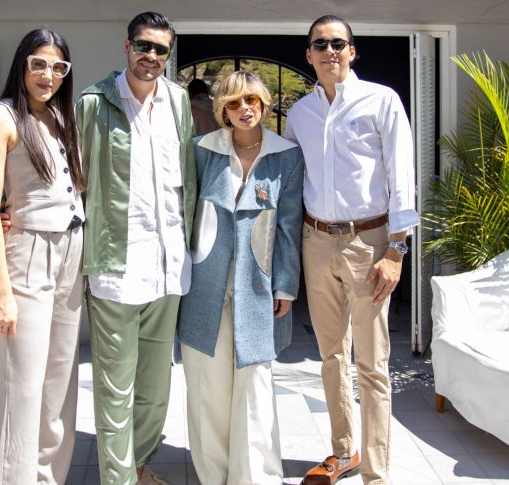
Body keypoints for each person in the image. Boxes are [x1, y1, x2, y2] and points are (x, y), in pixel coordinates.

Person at [284, 15, 419, 485]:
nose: (329, 50)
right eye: (319, 43)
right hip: (316, 240)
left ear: (352, 51)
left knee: (372, 363)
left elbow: (403, 175)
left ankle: (377, 474)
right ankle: (344, 453)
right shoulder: (300, 113)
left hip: (370, 242)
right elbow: (289, 177)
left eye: (338, 43)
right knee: (331, 356)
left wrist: (396, 250)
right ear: (308, 54)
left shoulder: (381, 101)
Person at [74, 11, 196, 485]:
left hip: (168, 269)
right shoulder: (93, 102)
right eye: (143, 46)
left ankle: (138, 464)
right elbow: (70, 173)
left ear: (169, 55)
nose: (151, 56)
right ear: (126, 47)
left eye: (161, 49)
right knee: (115, 390)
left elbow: (188, 175)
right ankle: (119, 480)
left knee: (155, 388)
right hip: (115, 267)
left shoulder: (179, 102)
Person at [177, 70, 304, 485]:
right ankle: (213, 476)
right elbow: (185, 213)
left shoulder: (287, 155)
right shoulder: (202, 150)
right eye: (233, 103)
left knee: (254, 388)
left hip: (258, 287)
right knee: (207, 389)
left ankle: (255, 478)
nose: (244, 109)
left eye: (251, 100)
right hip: (205, 288)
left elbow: (289, 224)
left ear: (264, 104)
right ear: (222, 111)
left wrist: (285, 284)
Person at [0, 28, 86, 485]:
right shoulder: (0, 118)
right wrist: (2, 292)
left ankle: (48, 479)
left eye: (58, 67)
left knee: (60, 383)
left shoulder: (62, 117)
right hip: (29, 254)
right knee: (22, 385)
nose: (48, 75)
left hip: (71, 252)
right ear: (22, 64)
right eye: (39, 63)